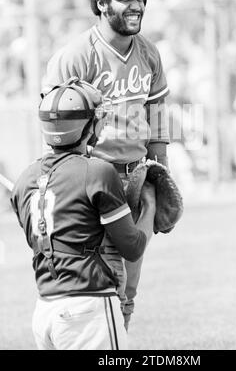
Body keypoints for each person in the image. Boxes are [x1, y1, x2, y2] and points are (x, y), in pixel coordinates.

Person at [42, 0, 170, 328]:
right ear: (101, 2)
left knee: (129, 286)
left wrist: (161, 174)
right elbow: (55, 127)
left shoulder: (148, 52)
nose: (137, 5)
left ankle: (118, 344)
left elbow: (158, 115)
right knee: (103, 285)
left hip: (139, 176)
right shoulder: (76, 56)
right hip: (95, 179)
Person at [10, 78, 156, 350]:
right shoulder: (97, 171)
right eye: (96, 118)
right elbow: (133, 248)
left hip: (45, 310)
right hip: (88, 308)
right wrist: (150, 206)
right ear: (86, 127)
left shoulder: (25, 179)